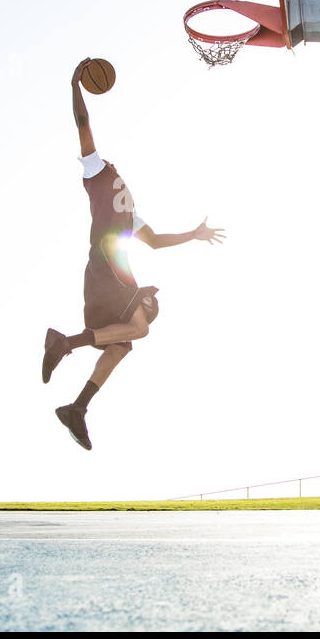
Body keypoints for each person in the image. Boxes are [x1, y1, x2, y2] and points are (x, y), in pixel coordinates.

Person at [43, 58, 225, 449]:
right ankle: (64, 344)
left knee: (121, 346)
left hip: (109, 271)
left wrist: (193, 234)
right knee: (141, 327)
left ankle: (77, 408)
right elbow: (82, 126)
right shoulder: (96, 173)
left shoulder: (128, 206)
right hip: (107, 265)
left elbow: (155, 241)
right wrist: (76, 86)